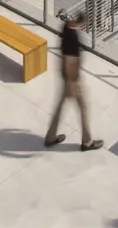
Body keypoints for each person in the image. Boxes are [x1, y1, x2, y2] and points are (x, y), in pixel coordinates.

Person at [44, 11, 103, 152]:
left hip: (65, 75)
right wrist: (74, 82)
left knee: (59, 106)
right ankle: (87, 142)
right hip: (72, 78)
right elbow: (71, 60)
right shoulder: (73, 37)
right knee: (83, 108)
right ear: (79, 22)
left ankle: (50, 137)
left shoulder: (65, 28)